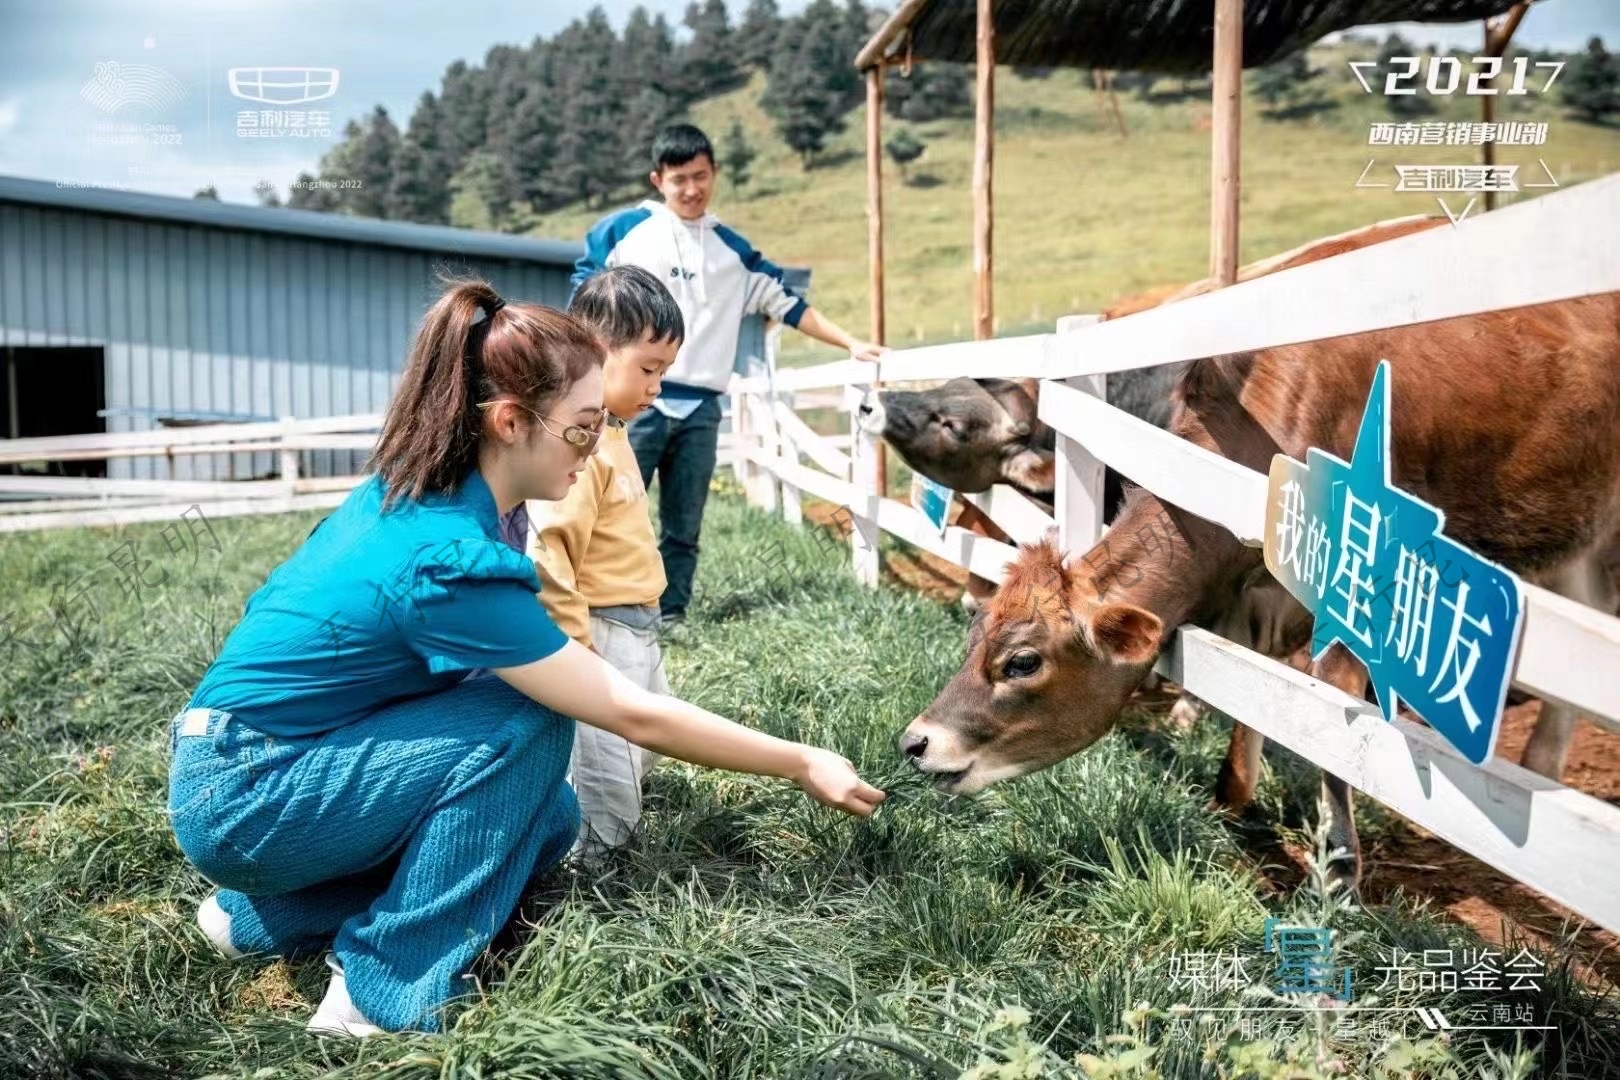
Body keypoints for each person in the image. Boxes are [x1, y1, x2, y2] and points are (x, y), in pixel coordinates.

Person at [167, 278, 887, 1039]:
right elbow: (624, 708)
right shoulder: (449, 559)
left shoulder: (432, 497)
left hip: (255, 765)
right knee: (536, 714)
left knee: (547, 818)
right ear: (511, 421)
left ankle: (260, 918)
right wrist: (799, 759)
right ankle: (379, 993)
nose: (596, 446)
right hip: (249, 794)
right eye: (583, 428)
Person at [570, 122, 887, 632]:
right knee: (610, 508)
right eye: (679, 180)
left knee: (684, 522)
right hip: (631, 403)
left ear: (714, 173)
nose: (692, 189)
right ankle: (593, 608)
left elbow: (787, 303)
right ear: (658, 180)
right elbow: (584, 300)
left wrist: (850, 341)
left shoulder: (733, 251)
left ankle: (668, 614)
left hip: (700, 405)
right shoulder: (623, 233)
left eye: (701, 176)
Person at [505, 265, 684, 858]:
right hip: (601, 630)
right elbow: (549, 548)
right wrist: (575, 647)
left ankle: (603, 841)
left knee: (645, 743)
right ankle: (593, 873)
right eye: (649, 369)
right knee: (610, 764)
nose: (657, 385)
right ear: (598, 353)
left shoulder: (614, 434)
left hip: (637, 624)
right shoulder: (580, 446)